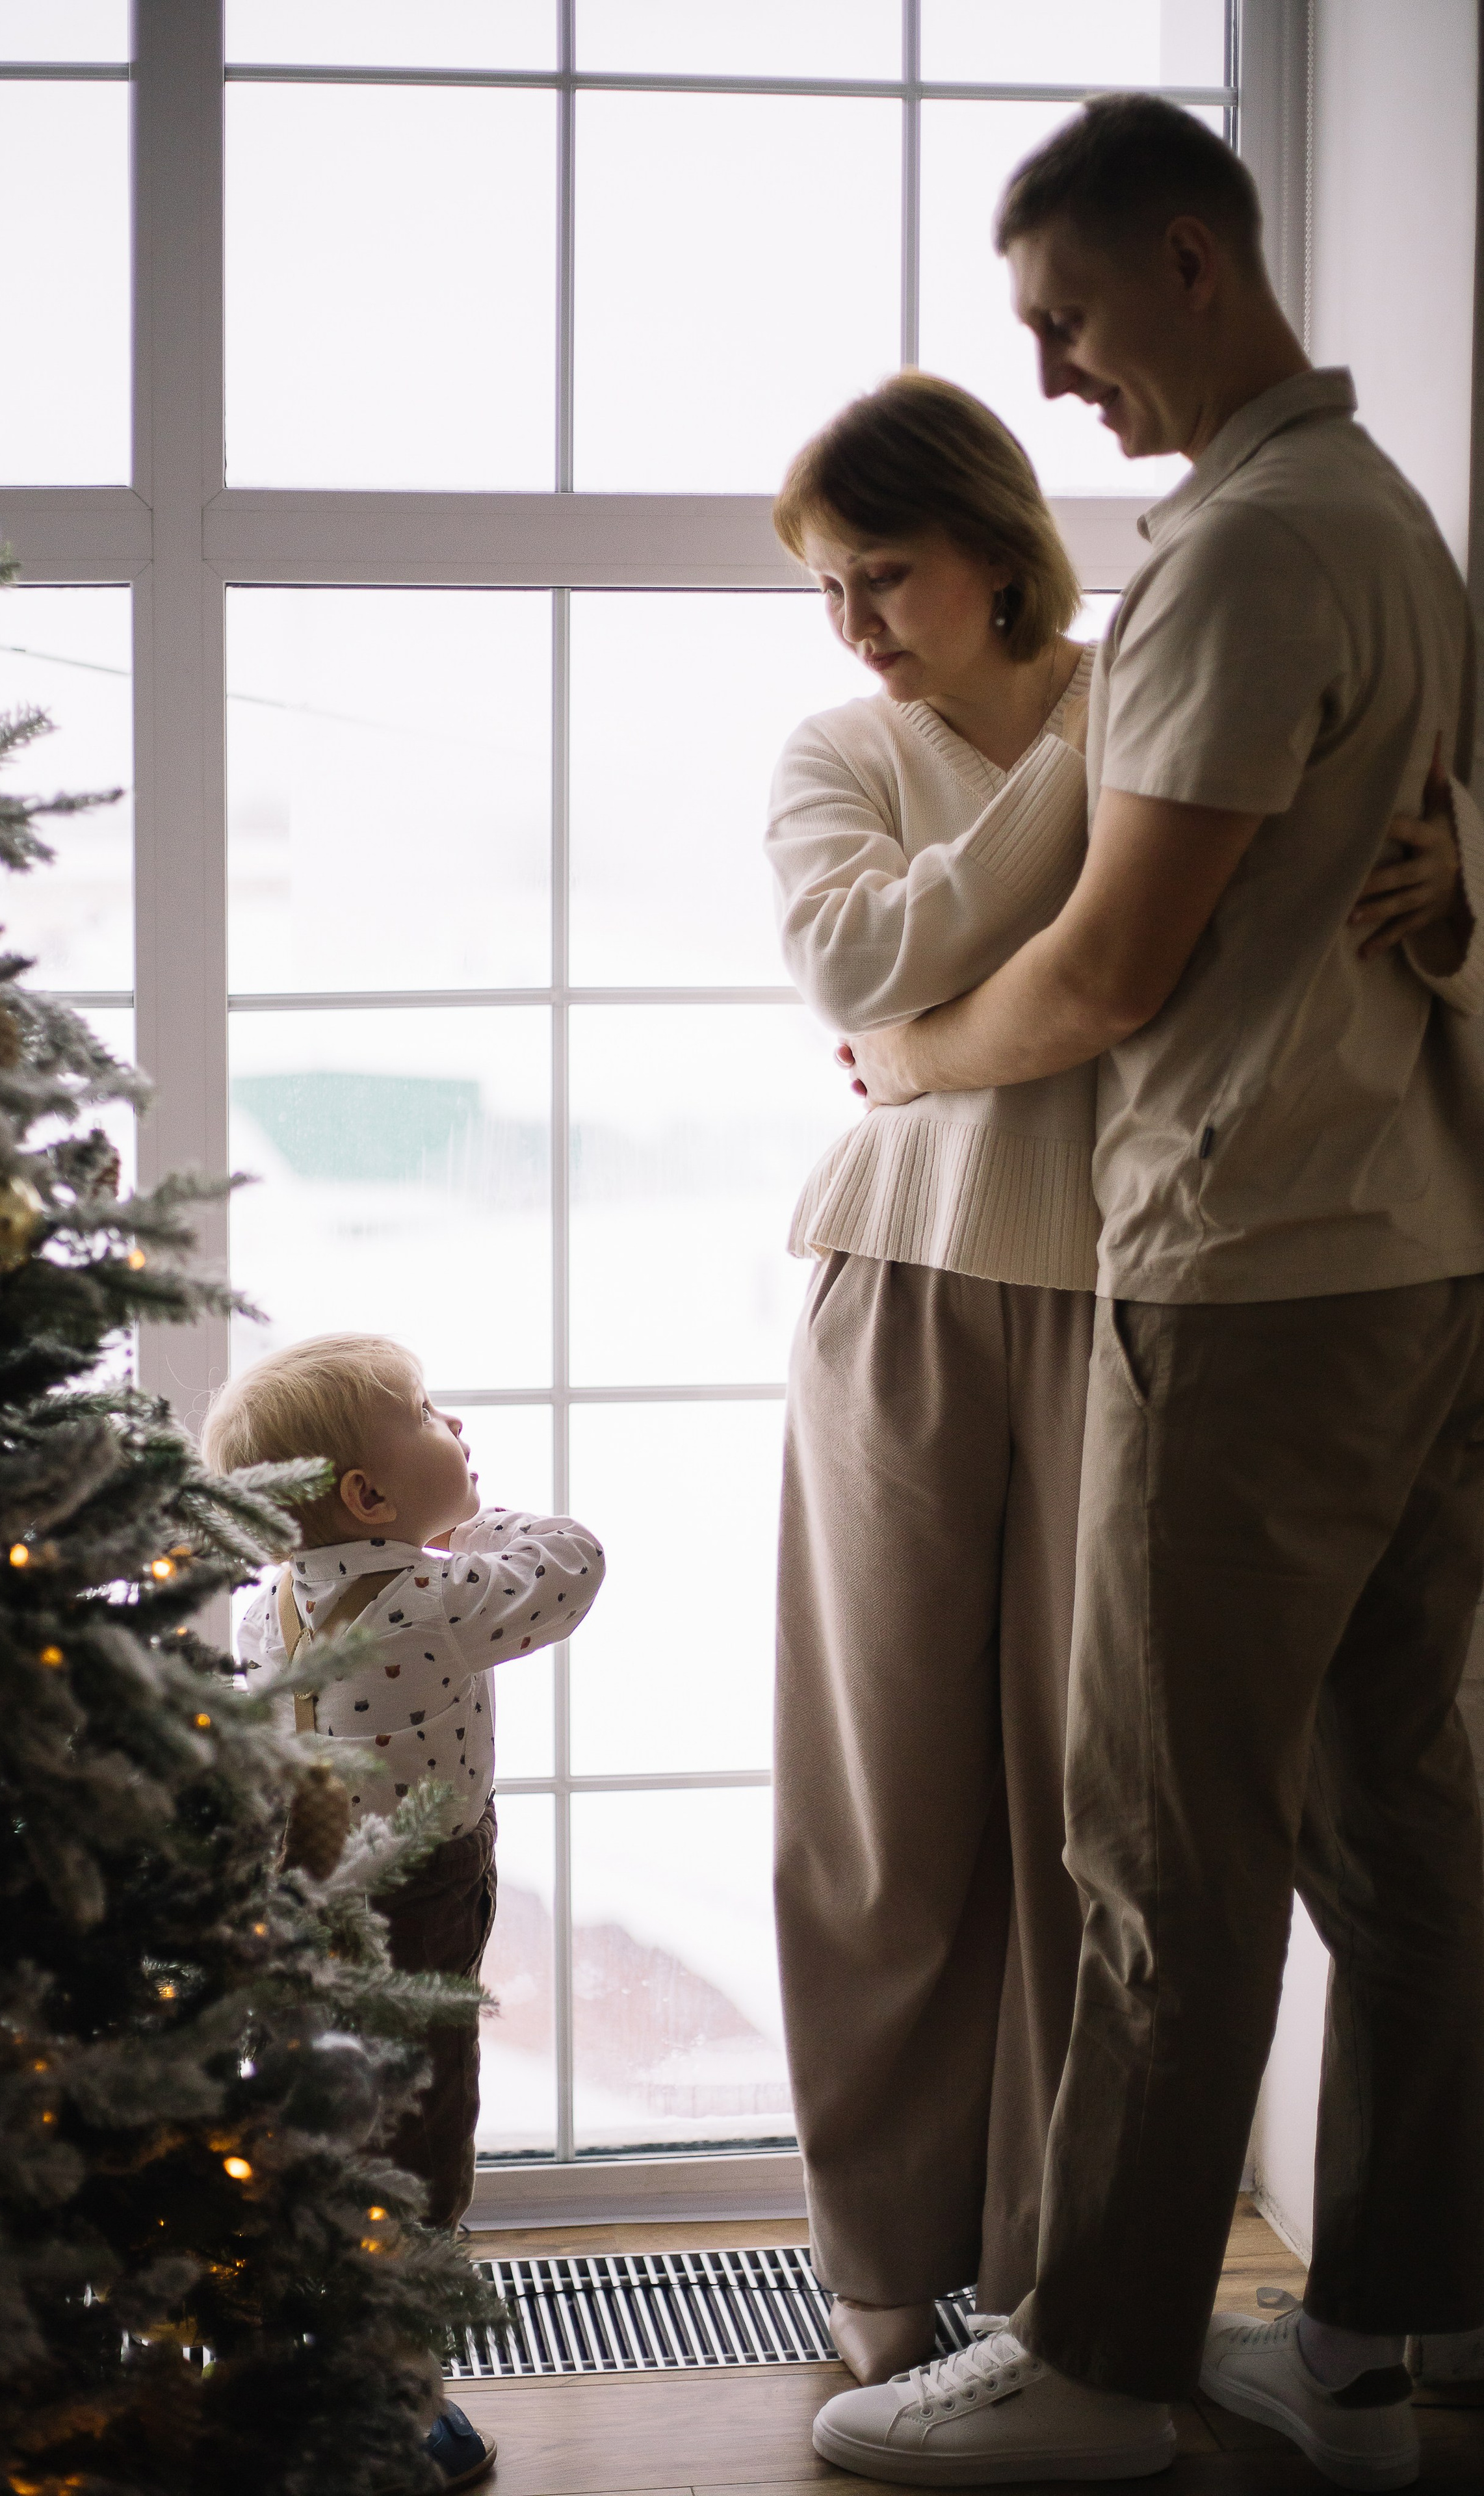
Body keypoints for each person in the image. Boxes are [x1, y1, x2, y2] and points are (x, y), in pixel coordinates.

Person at [809, 94, 1484, 2491]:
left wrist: (906, 1059)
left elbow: (1103, 972)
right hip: (1422, 1247)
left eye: (1065, 314)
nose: (1058, 369)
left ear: (1192, 263)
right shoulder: (1397, 529)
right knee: (1404, 1821)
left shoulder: (1253, 550)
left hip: (1255, 1270)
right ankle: (1406, 2323)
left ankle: (1100, 2367)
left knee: (1157, 1841)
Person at [766, 372, 1100, 2382]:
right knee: (883, 1805)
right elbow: (855, 970)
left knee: (1096, 1820)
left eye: (883, 574)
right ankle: (882, 2262)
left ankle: (1072, 2274)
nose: (859, 624)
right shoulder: (840, 749)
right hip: (891, 1279)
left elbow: (1147, 986)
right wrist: (1079, 768)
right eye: (830, 585)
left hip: (1140, 1284)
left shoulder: (1169, 689)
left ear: (996, 544)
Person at [202, 1331, 606, 2493]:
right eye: (431, 1414)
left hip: (299, 1901)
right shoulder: (437, 1596)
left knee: (314, 2131)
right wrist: (472, 1528)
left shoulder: (265, 1600)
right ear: (370, 1495)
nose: (458, 1427)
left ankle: (299, 2366)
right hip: (416, 1906)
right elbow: (572, 1565)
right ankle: (397, 2403)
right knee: (420, 2138)